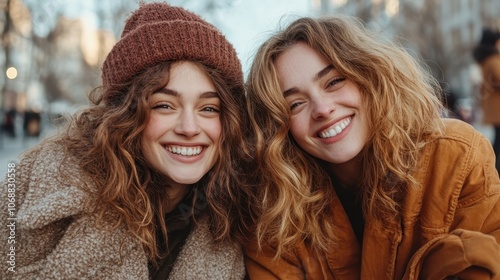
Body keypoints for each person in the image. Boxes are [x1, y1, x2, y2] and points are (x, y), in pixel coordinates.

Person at [0, 2, 250, 279]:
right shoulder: (28, 188)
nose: (190, 128)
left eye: (209, 108)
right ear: (125, 116)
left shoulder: (241, 214)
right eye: (164, 105)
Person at [244, 15, 500, 279]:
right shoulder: (273, 210)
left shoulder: (457, 156)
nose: (322, 109)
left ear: (369, 76)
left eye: (334, 82)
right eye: (295, 104)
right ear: (277, 127)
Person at [473, 27, 500, 173]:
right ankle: (493, 171)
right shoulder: (494, 59)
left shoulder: (484, 60)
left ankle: (491, 169)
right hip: (498, 108)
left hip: (492, 108)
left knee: (497, 140)